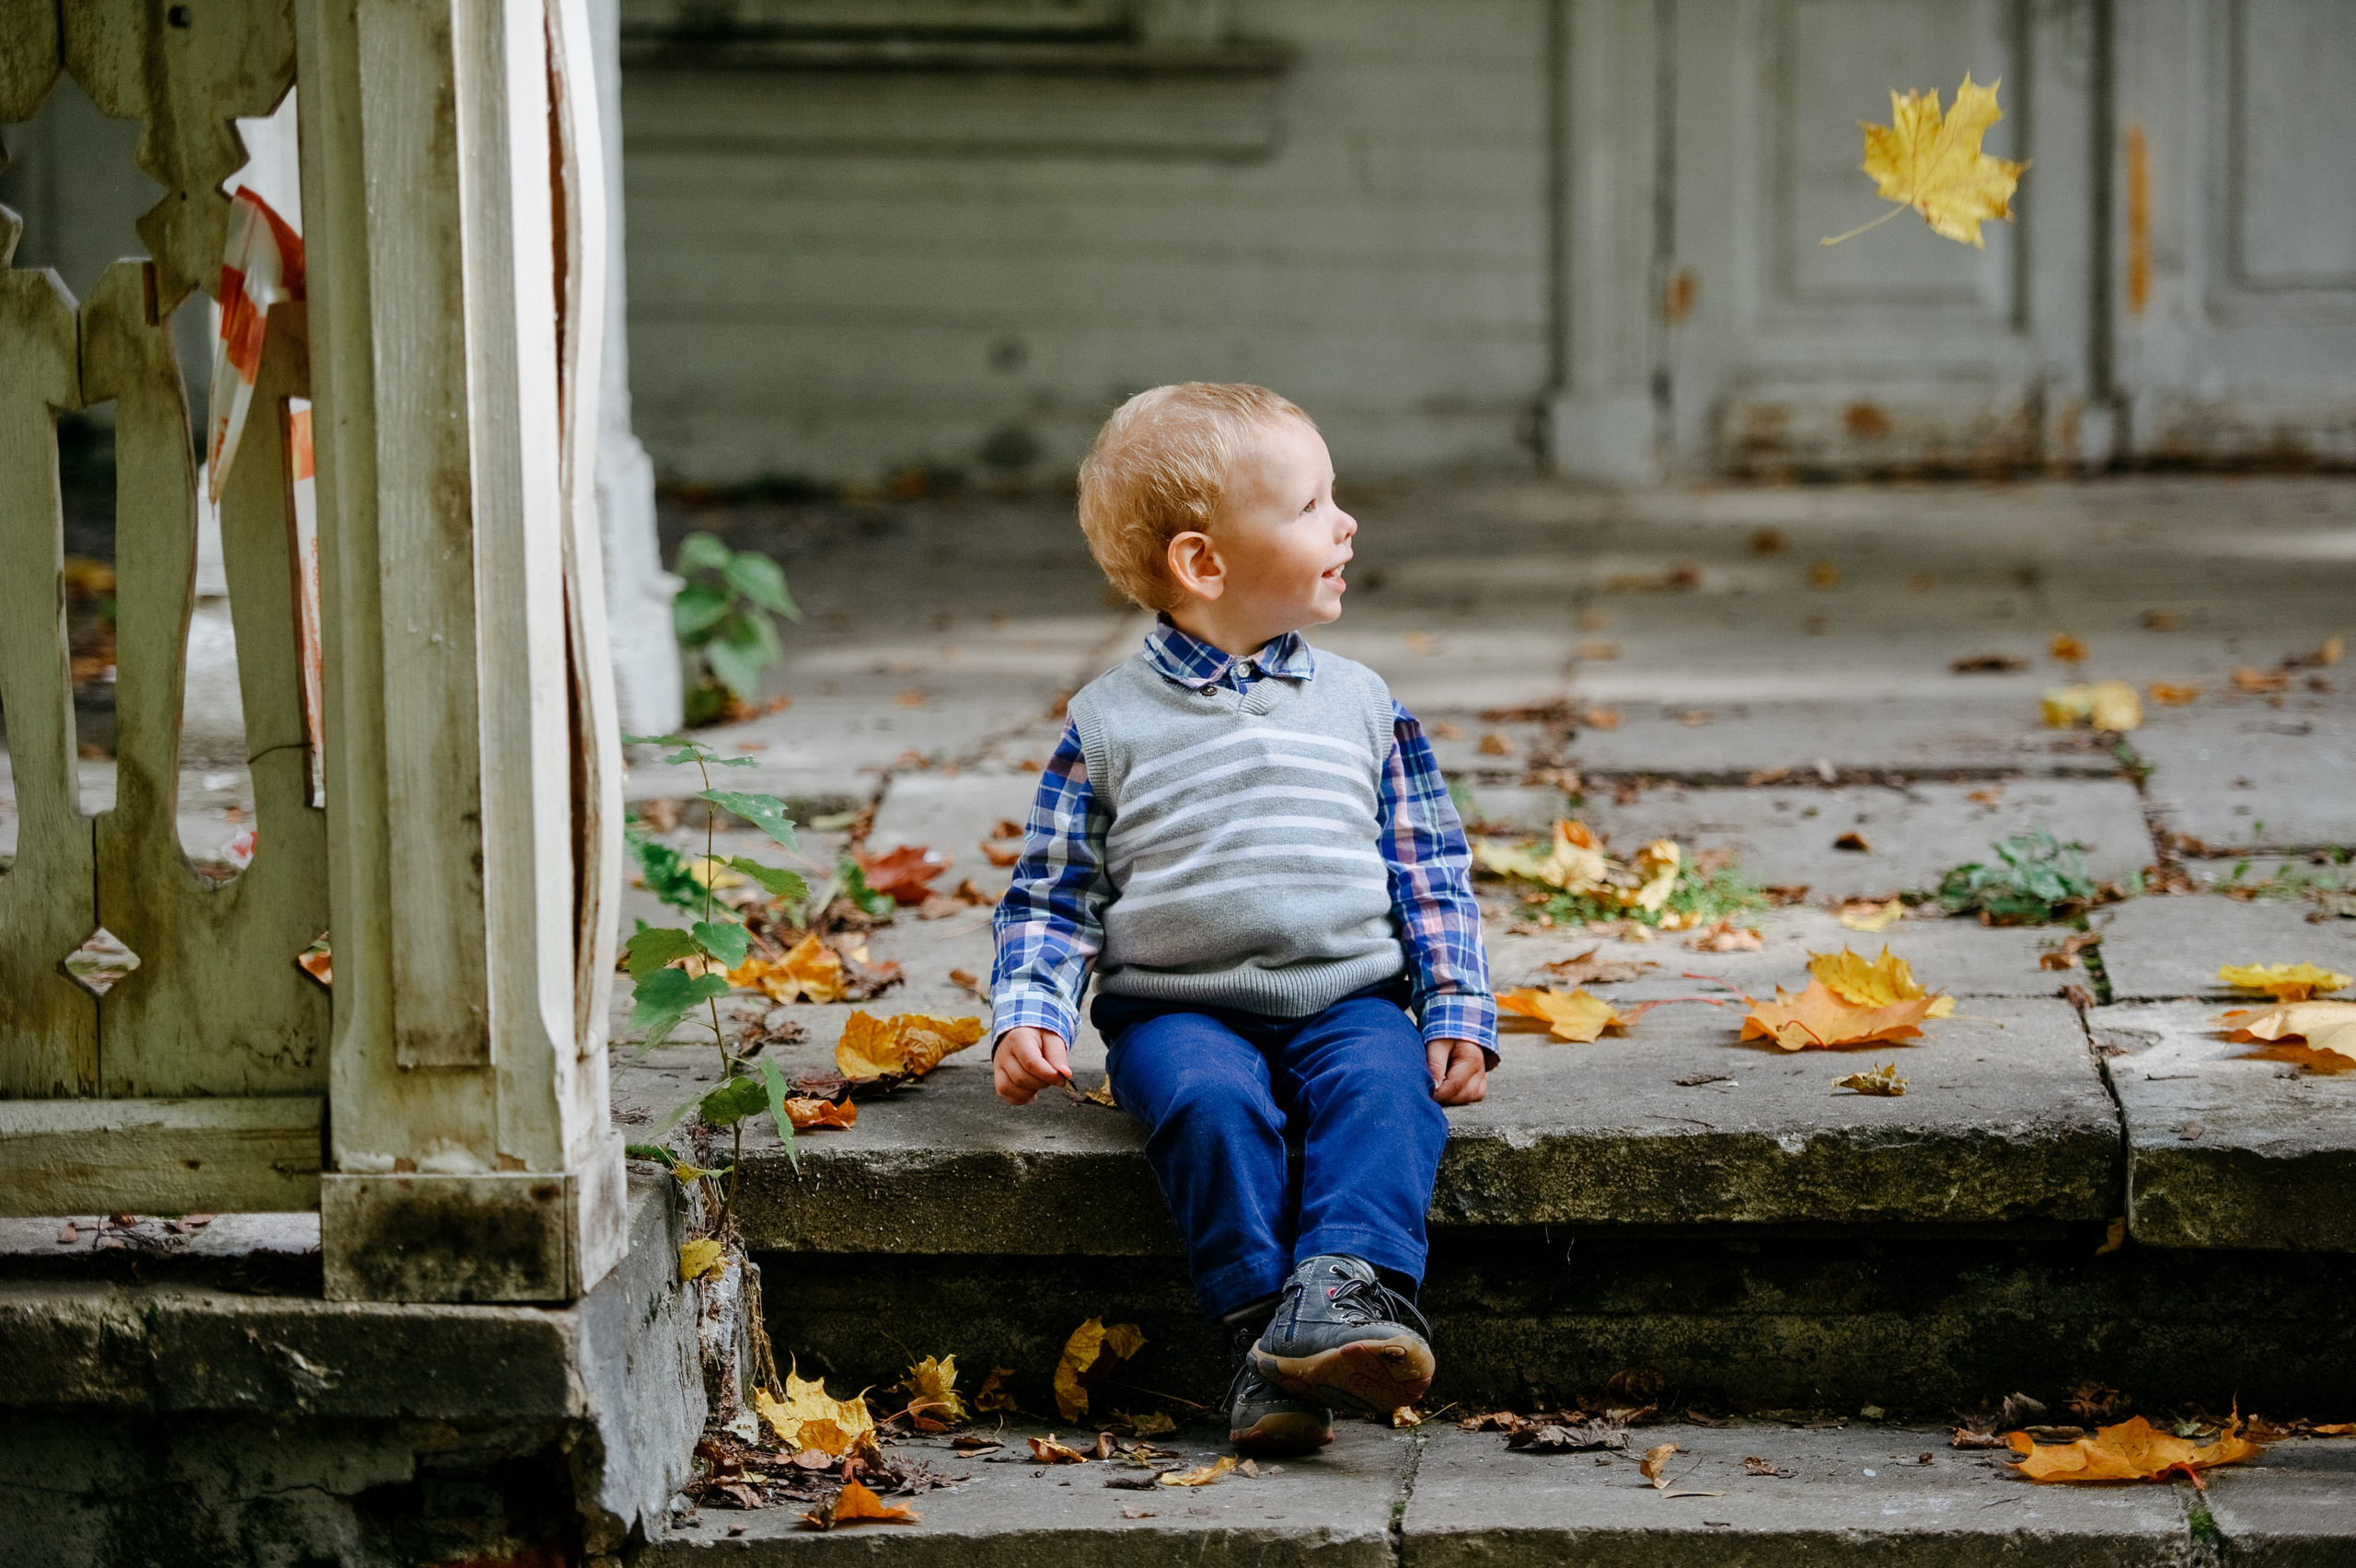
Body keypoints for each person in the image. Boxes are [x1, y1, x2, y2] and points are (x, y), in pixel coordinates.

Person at [987, 382, 1496, 1456]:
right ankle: (1264, 1339)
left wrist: (1452, 1002)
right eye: (1312, 504)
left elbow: (1426, 866)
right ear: (1202, 564)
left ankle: (1341, 1290)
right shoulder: (1110, 722)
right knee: (1211, 1110)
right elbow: (1053, 889)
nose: (1344, 522)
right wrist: (1028, 1008)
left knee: (1383, 1090)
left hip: (1347, 994)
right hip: (1178, 1012)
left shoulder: (1362, 702)